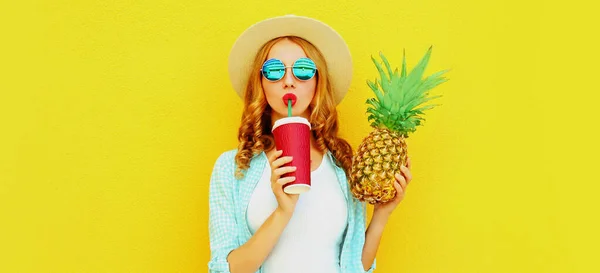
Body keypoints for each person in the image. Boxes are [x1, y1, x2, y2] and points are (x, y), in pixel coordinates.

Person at [208, 15, 413, 273]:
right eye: (274, 70)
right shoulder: (232, 169)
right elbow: (226, 269)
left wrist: (382, 213)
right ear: (260, 83)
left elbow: (354, 266)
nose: (289, 80)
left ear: (317, 82)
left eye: (303, 69)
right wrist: (283, 211)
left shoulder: (344, 166)